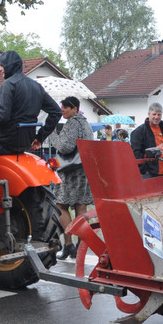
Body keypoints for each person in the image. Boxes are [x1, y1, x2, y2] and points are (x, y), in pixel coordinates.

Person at [0, 51, 61, 156]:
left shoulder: (8, 84)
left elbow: (1, 117)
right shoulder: (37, 86)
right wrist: (40, 137)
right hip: (26, 142)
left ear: (9, 65)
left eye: (1, 65)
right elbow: (57, 112)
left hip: (6, 142)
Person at [48, 97, 93, 260]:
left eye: (66, 107)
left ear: (75, 109)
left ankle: (69, 245)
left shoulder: (73, 123)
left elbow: (65, 147)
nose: (62, 110)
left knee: (61, 205)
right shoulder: (85, 124)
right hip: (84, 169)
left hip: (70, 171)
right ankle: (81, 247)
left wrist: (52, 133)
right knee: (81, 207)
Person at [130, 103, 163, 178]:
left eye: (159, 115)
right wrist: (144, 170)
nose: (156, 117)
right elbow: (136, 154)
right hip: (149, 174)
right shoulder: (139, 132)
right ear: (149, 114)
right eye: (154, 114)